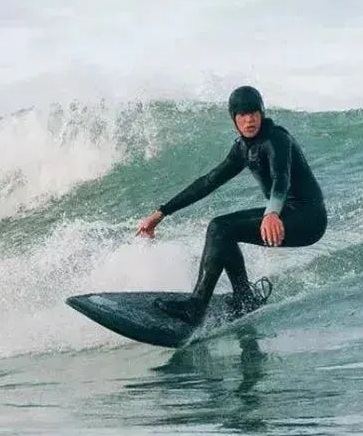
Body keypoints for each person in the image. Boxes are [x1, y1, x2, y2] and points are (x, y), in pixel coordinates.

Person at [136, 86, 327, 326]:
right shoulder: (242, 148)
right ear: (234, 119)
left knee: (221, 228)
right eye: (242, 115)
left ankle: (196, 307)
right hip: (284, 213)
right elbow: (208, 182)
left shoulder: (277, 139)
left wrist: (272, 213)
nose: (249, 120)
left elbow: (282, 177)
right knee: (222, 228)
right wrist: (162, 212)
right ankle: (244, 298)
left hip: (309, 218)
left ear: (261, 113)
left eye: (254, 113)